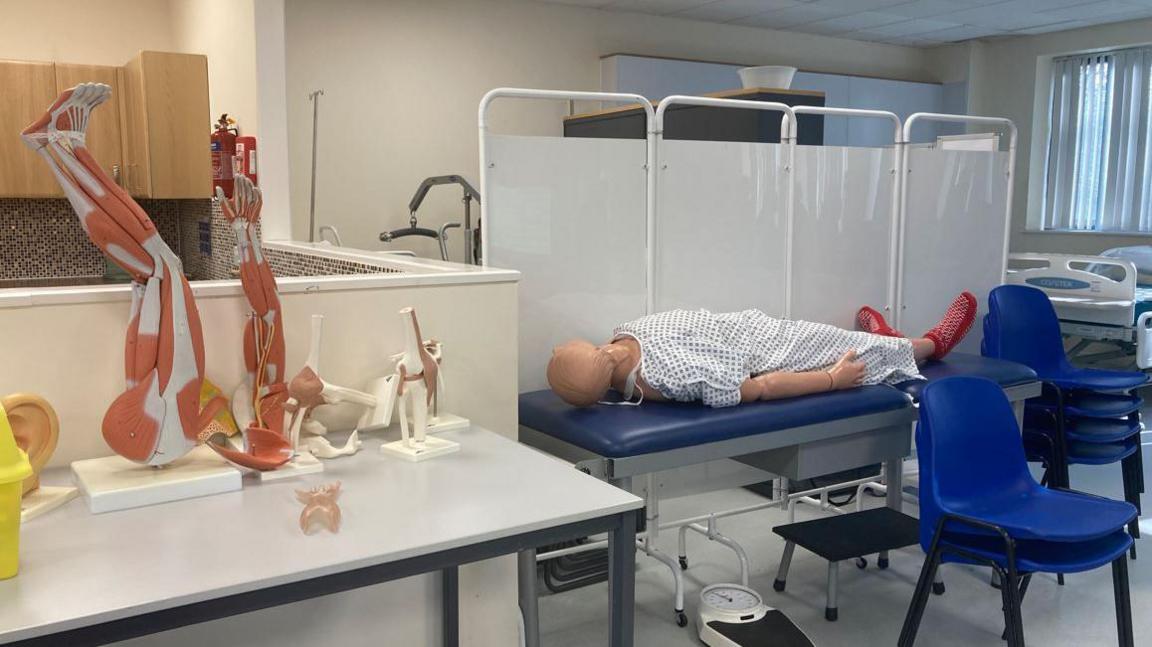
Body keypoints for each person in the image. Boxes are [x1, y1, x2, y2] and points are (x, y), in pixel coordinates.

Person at [546, 293, 976, 408]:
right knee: (859, 354)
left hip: (757, 330)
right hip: (773, 354)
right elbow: (760, 387)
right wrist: (832, 380)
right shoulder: (653, 373)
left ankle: (888, 336)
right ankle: (931, 344)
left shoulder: (628, 342)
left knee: (857, 343)